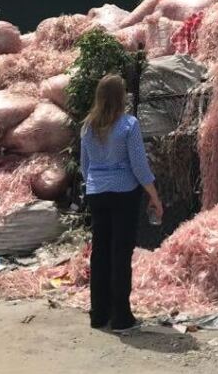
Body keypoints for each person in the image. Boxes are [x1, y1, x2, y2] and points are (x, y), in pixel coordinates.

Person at [80, 74, 162, 332]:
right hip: (124, 192)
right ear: (121, 96)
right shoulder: (128, 124)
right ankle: (121, 317)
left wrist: (96, 183)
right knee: (120, 254)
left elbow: (85, 166)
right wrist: (154, 196)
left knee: (100, 253)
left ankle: (98, 313)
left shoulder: (87, 127)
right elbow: (139, 165)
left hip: (96, 193)